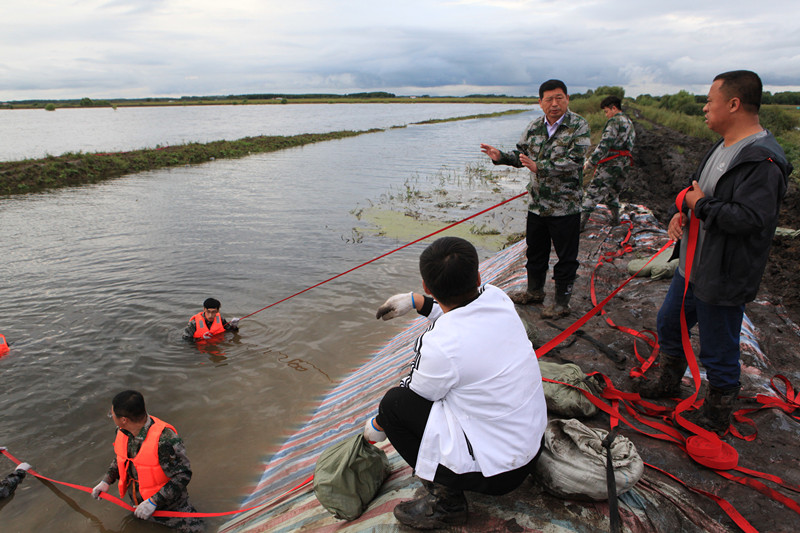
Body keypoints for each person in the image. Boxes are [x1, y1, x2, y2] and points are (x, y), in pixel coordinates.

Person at [634, 71, 792, 435]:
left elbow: (751, 219)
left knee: (719, 346)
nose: (704, 107)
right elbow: (696, 192)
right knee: (669, 323)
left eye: (709, 101)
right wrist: (683, 211)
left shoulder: (762, 162)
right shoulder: (720, 146)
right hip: (691, 265)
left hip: (724, 273)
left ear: (734, 104)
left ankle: (717, 412)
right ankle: (669, 380)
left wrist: (700, 205)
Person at [366, 236, 547, 529]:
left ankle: (447, 502)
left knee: (393, 406)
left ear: (428, 285)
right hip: (530, 446)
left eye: (425, 294)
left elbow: (415, 394)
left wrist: (378, 423)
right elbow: (461, 311)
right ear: (478, 276)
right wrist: (417, 303)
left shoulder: (441, 345)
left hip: (501, 474)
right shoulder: (497, 297)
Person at [481, 79, 590, 318]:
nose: (554, 104)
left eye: (559, 98)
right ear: (540, 103)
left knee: (566, 258)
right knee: (536, 252)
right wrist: (500, 156)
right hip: (537, 207)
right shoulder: (533, 128)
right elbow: (521, 156)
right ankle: (534, 292)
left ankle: (562, 303)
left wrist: (539, 167)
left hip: (565, 207)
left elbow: (576, 160)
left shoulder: (578, 126)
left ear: (567, 99)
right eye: (549, 99)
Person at [92, 390, 203, 532]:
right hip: (140, 507)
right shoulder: (123, 431)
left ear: (124, 419)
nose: (111, 416)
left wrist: (153, 501)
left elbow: (183, 475)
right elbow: (122, 459)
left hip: (170, 509)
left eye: (112, 414)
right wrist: (106, 481)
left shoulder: (165, 440)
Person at [580, 95, 636, 230]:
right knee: (613, 192)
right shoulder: (629, 122)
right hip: (624, 163)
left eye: (606, 111)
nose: (606, 115)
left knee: (593, 192)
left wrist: (591, 162)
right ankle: (616, 220)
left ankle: (579, 225)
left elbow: (604, 144)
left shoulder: (614, 122)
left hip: (611, 164)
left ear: (613, 108)